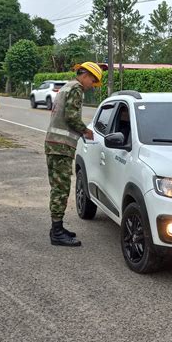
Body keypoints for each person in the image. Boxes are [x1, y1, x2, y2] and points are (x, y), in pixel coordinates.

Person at [44, 61, 103, 247]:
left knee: (57, 188)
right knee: (60, 190)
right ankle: (57, 232)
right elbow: (71, 117)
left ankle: (57, 228)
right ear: (84, 75)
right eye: (92, 81)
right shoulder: (76, 89)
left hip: (53, 143)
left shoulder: (66, 87)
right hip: (61, 146)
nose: (92, 85)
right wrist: (85, 131)